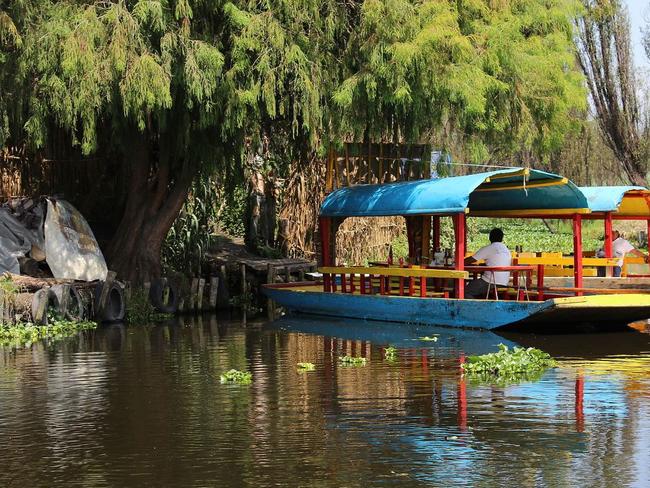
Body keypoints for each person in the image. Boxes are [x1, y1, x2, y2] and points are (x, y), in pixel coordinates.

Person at [464, 228, 512, 299]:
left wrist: (455, 262)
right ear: (502, 238)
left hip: (490, 282)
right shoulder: (506, 249)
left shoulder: (490, 247)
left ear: (490, 237)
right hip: (504, 283)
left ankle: (476, 309)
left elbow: (469, 260)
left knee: (464, 291)